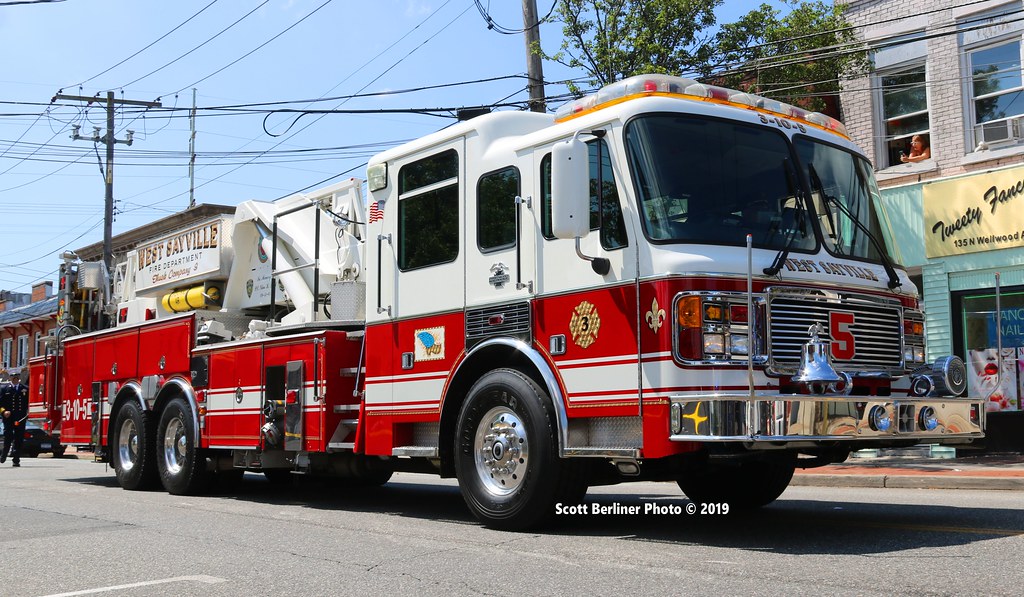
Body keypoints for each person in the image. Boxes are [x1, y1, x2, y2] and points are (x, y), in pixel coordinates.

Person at [0, 371, 30, 467]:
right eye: (13, 377)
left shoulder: (24, 389)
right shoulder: (4, 388)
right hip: (8, 417)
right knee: (8, 436)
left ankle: (16, 459)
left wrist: (28, 413)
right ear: (10, 378)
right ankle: (4, 454)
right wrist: (3, 411)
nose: (15, 378)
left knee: (19, 438)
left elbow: (28, 403)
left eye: (16, 377)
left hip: (20, 417)